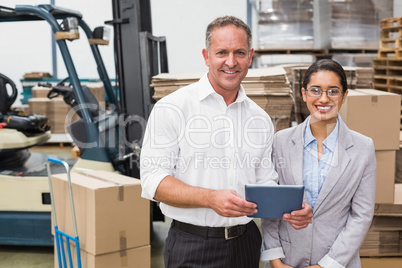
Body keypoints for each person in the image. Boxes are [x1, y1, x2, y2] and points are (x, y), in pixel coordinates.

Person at [140, 16, 313, 268]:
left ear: (250, 56)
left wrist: (293, 209)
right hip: (192, 244)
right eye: (222, 52)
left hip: (246, 244)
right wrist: (210, 198)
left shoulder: (260, 118)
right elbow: (153, 182)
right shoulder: (173, 108)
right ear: (206, 55)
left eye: (239, 53)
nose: (231, 62)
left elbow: (264, 181)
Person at [260, 59, 377, 268]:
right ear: (304, 94)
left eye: (333, 91)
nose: (324, 98)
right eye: (316, 90)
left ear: (344, 96)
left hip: (338, 261)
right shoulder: (281, 141)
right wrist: (275, 259)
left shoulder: (363, 147)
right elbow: (271, 207)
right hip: (287, 260)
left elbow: (362, 215)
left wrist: (327, 265)